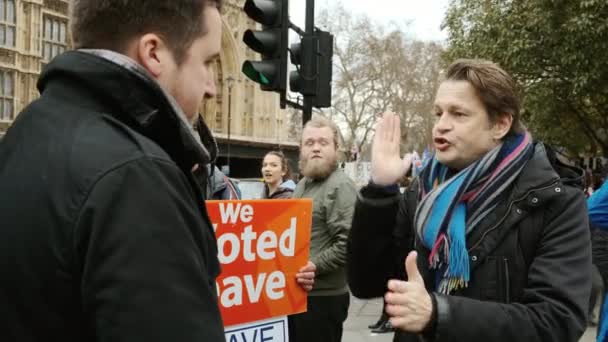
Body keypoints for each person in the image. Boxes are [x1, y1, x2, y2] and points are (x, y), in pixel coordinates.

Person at [0, 1, 228, 341]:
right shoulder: (137, 178)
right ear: (154, 53)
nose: (212, 86)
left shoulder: (23, 134)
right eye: (207, 62)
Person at [347, 59, 591, 342]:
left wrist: (439, 314)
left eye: (458, 114)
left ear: (500, 124)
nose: (441, 126)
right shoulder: (423, 191)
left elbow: (557, 321)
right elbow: (367, 284)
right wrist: (380, 189)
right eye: (438, 113)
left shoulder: (554, 199)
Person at [289, 116, 358, 342]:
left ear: (336, 149)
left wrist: (314, 266)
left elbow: (348, 243)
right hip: (298, 295)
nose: (316, 148)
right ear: (301, 149)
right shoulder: (302, 185)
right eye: (309, 143)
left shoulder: (341, 186)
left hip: (322, 299)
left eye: (323, 142)